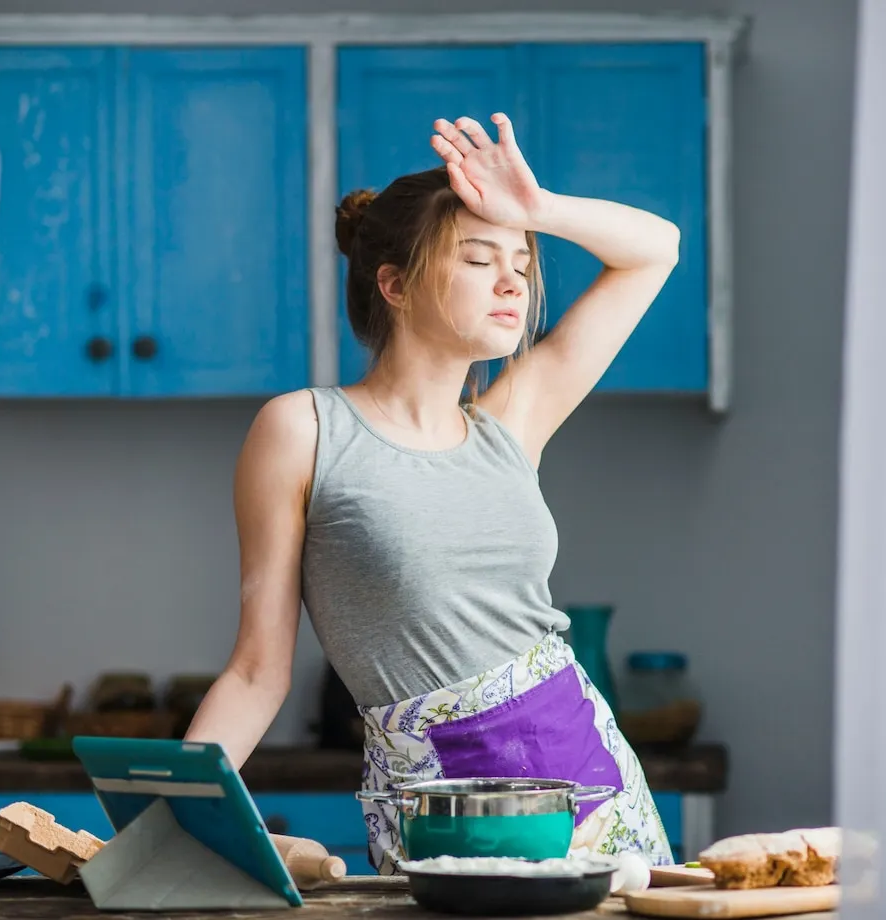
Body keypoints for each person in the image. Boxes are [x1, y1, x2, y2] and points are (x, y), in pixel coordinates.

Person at [183, 113, 681, 872]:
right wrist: (177, 810)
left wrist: (536, 209)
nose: (513, 279)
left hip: (589, 786)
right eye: (480, 259)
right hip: (435, 806)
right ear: (395, 283)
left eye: (520, 260)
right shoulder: (303, 431)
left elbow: (656, 250)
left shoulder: (510, 423)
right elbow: (258, 671)